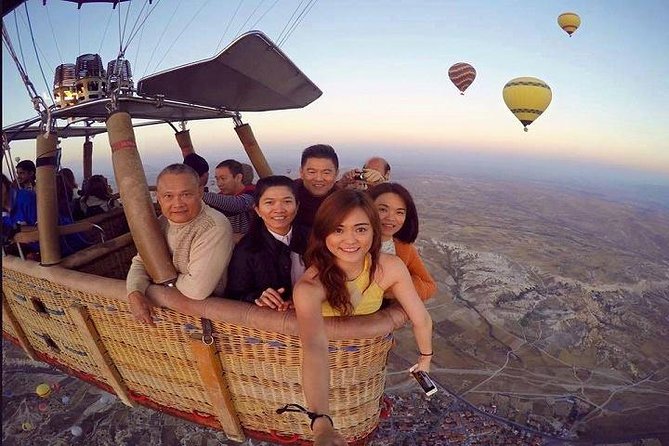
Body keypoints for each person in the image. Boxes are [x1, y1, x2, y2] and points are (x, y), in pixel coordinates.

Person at [293, 189, 433, 445]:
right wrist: (321, 423)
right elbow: (314, 347)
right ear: (324, 232)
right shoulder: (310, 287)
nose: (350, 240)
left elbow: (420, 317)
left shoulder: (389, 267)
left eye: (360, 229)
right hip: (319, 376)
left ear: (373, 231)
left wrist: (425, 358)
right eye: (338, 230)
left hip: (363, 369)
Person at [126, 163, 234, 326]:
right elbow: (141, 261)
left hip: (209, 318)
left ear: (199, 192)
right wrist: (135, 291)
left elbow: (197, 289)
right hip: (167, 315)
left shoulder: (213, 226)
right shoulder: (162, 222)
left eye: (186, 195)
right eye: (168, 196)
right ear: (159, 197)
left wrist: (161, 278)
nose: (177, 204)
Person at [225, 175, 309, 309]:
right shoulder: (247, 250)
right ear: (257, 209)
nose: (279, 209)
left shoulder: (313, 238)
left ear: (297, 206)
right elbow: (233, 295)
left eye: (287, 201)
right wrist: (257, 297)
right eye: (269, 202)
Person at [367, 182, 436, 301]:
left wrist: (396, 289)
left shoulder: (404, 248)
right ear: (367, 209)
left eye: (399, 212)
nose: (391, 218)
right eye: (383, 209)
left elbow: (429, 286)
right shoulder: (353, 244)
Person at [203, 159, 255, 236]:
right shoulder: (220, 198)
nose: (219, 184)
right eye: (217, 179)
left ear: (238, 177)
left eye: (223, 178)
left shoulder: (252, 194)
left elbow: (237, 205)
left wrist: (200, 195)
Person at [294, 144, 339, 229]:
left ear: (336, 174)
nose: (319, 179)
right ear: (301, 172)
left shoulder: (344, 201)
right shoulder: (288, 195)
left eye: (326, 173)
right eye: (312, 172)